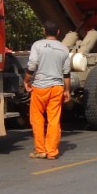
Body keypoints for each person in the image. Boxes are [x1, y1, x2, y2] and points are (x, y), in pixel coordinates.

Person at [23, 21, 71, 160]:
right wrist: (67, 90)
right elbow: (66, 73)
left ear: (44, 31)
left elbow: (32, 66)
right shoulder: (64, 49)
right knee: (54, 119)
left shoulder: (38, 45)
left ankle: (40, 150)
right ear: (58, 32)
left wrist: (26, 80)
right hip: (57, 88)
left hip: (40, 88)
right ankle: (52, 151)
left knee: (37, 118)